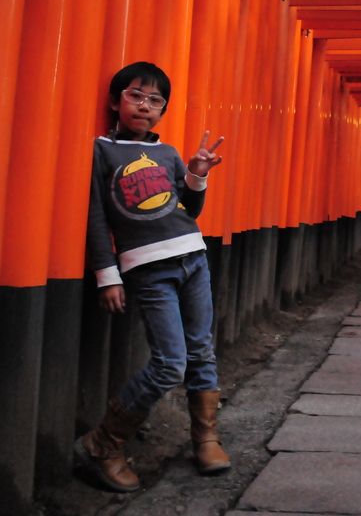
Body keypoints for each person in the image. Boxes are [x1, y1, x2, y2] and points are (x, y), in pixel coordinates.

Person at [75, 61, 229, 492]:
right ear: (115, 101)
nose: (145, 106)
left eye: (155, 100)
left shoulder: (167, 153)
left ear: (163, 111)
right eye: (135, 96)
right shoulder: (102, 150)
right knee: (169, 364)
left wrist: (196, 173)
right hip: (146, 268)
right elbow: (95, 215)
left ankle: (206, 438)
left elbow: (189, 211)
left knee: (202, 349)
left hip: (192, 257)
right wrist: (107, 275)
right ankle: (103, 442)